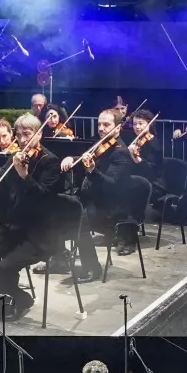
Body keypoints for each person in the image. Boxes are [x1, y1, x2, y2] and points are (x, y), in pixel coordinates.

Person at [0, 114, 65, 320]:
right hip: (10, 228)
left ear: (39, 134)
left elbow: (42, 198)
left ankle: (8, 300)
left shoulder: (50, 162)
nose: (23, 139)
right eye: (19, 135)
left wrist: (25, 175)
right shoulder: (15, 156)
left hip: (38, 234)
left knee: (5, 265)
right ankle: (16, 297)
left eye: (27, 134)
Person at [61, 110, 139, 281]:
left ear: (117, 128)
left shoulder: (121, 152)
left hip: (111, 206)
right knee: (57, 209)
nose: (101, 129)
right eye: (99, 125)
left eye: (106, 125)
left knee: (79, 222)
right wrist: (71, 158)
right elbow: (87, 159)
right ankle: (59, 259)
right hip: (93, 200)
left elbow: (111, 184)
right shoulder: (102, 144)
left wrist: (92, 170)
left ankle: (92, 269)